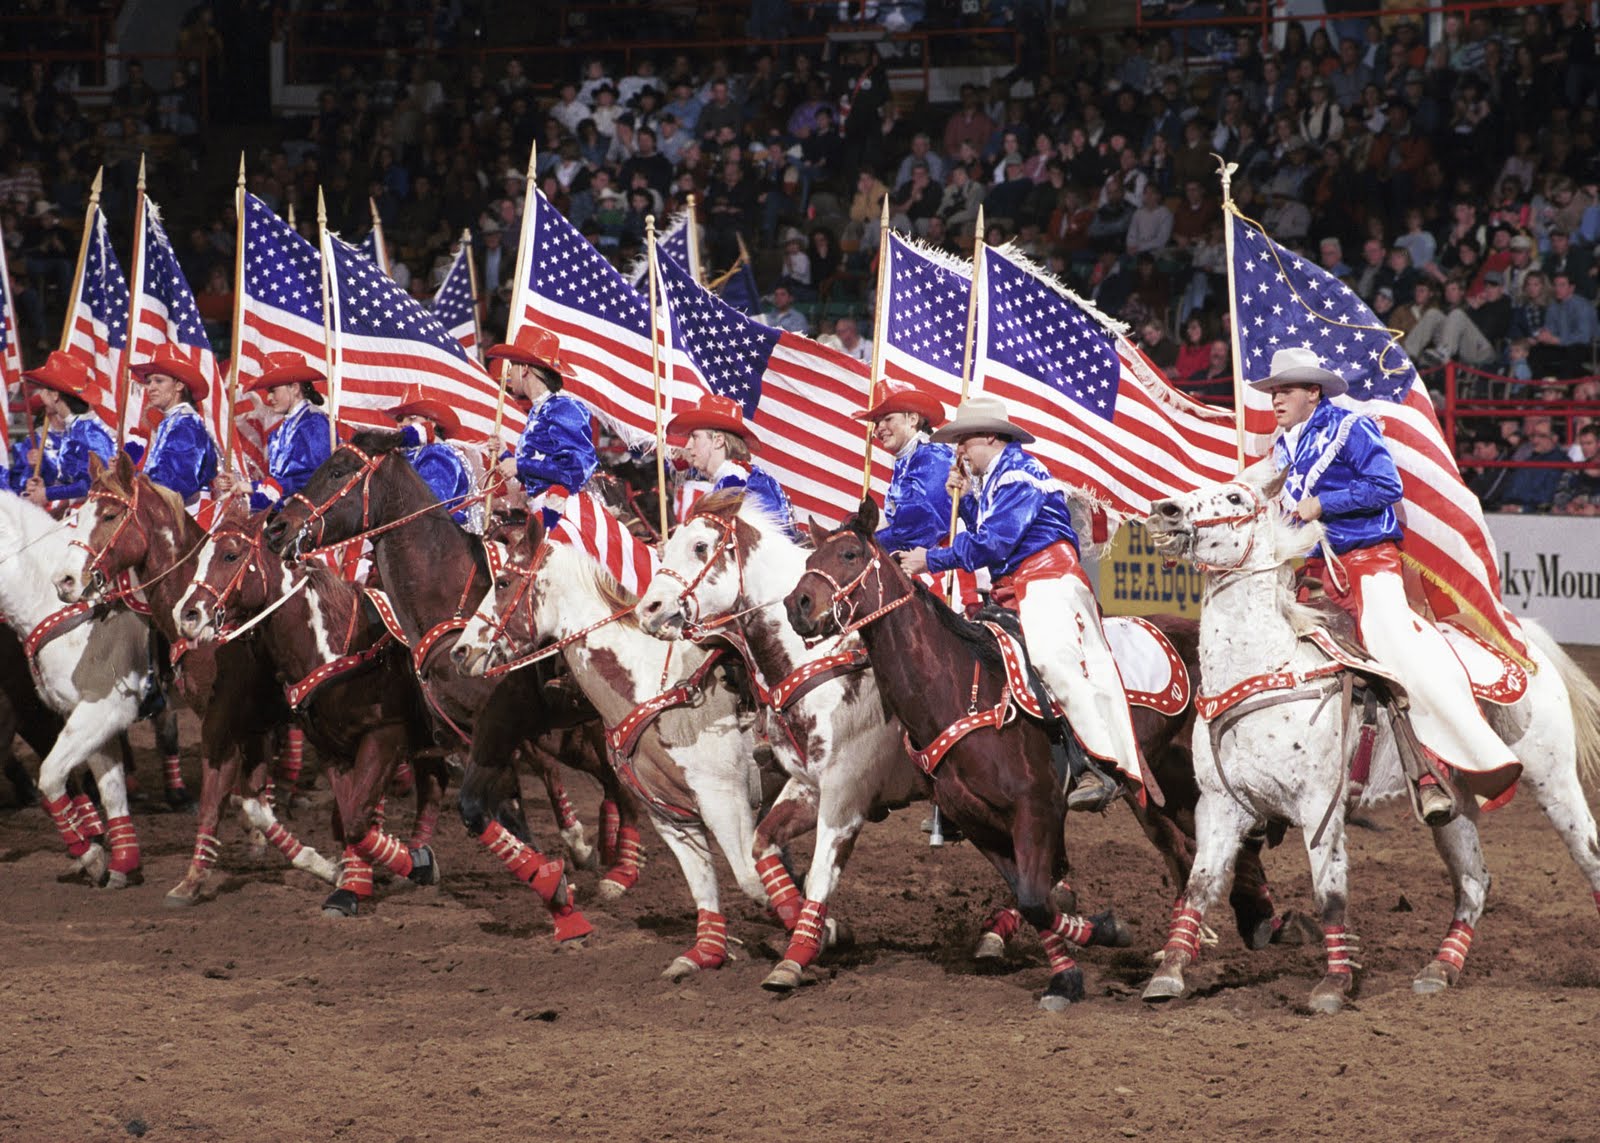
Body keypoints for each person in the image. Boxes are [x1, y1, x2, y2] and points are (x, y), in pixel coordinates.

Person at [1247, 347, 1519, 824]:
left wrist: (1324, 503)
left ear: (1313, 392)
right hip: (1318, 569)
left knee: (1394, 652)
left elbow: (1386, 485)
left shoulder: (1351, 428)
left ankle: (1431, 771)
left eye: (1284, 390)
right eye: (1273, 391)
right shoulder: (1285, 445)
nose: (1275, 399)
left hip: (1371, 563)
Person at [896, 396, 1142, 813]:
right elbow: (988, 528)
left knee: (1051, 660)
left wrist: (928, 558)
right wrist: (968, 500)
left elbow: (993, 544)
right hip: (1017, 586)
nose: (958, 451)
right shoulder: (997, 477)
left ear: (990, 436)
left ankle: (1101, 764)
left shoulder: (1021, 474)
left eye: (964, 441)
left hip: (1048, 581)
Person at [484, 325, 597, 529]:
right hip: (543, 512)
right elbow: (540, 475)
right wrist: (505, 455)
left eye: (512, 365)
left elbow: (576, 469)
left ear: (525, 368)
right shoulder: (541, 410)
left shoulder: (564, 407)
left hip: (564, 518)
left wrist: (520, 465)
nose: (508, 371)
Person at [212, 352, 331, 512]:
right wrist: (241, 489)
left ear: (295, 388)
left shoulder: (314, 422)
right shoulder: (281, 431)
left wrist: (251, 487)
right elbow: (277, 492)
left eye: (273, 390)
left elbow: (317, 479)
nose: (268, 397)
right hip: (285, 518)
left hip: (309, 519)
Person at [666, 393, 796, 537]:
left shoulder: (734, 478)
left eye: (695, 437)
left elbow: (712, 536)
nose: (688, 446)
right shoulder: (742, 475)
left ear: (718, 440)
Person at [851, 379, 951, 555]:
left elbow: (920, 527)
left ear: (912, 419)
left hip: (951, 563)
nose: (879, 428)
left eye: (888, 419)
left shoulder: (933, 456)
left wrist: (864, 543)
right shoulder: (909, 458)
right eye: (876, 423)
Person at [17, 352, 116, 512]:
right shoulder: (76, 429)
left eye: (44, 390)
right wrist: (49, 489)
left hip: (95, 519)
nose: (41, 396)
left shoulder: (88, 431)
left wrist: (48, 493)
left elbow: (93, 483)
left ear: (55, 395)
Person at [130, 345, 219, 507]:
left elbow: (176, 484)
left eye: (159, 381)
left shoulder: (186, 424)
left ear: (179, 385)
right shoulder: (174, 421)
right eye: (149, 382)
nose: (150, 388)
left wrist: (131, 481)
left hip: (188, 515)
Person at [384, 384, 475, 527]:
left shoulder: (439, 454)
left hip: (441, 541)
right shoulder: (403, 456)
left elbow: (429, 508)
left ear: (431, 423)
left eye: (412, 418)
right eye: (400, 419)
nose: (403, 424)